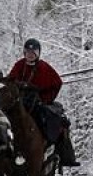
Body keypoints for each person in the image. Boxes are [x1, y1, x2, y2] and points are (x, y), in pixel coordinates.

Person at [6, 38, 79, 168]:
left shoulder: (44, 67)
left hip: (37, 103)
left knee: (56, 121)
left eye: (33, 52)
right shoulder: (19, 65)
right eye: (28, 51)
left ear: (38, 53)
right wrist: (19, 86)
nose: (30, 54)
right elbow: (10, 82)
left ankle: (60, 153)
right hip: (21, 103)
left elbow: (57, 83)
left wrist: (44, 98)